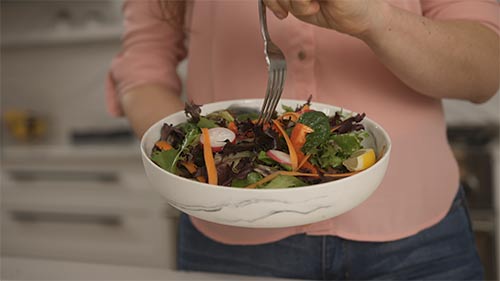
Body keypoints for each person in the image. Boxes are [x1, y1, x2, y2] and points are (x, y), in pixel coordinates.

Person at [107, 0, 499, 279]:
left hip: (417, 235)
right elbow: (142, 72)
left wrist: (374, 19)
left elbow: (485, 69)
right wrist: (190, 152)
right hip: (232, 233)